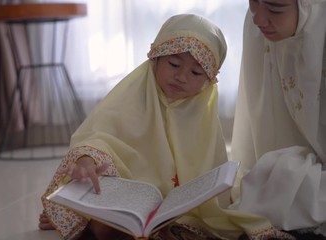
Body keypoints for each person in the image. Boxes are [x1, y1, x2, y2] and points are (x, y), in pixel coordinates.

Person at [39, 13, 295, 240]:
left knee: (204, 219)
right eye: (173, 64)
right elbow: (99, 136)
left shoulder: (201, 115)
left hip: (172, 201)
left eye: (196, 73)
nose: (181, 77)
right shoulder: (133, 96)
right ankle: (88, 218)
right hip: (125, 190)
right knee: (106, 225)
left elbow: (209, 169)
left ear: (209, 82)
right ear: (156, 59)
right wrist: (87, 161)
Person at [230, 0, 326, 238]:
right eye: (252, 2)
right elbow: (259, 110)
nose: (258, 19)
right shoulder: (258, 28)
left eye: (275, 8)